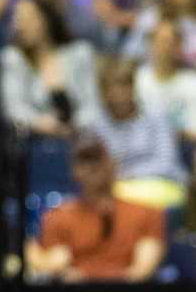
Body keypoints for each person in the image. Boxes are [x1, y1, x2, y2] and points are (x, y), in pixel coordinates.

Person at [23, 134, 164, 283]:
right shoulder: (58, 216)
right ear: (74, 170)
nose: (91, 167)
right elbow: (56, 264)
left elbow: (142, 271)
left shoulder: (147, 213)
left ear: (113, 164)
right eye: (84, 161)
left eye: (98, 159)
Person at [74, 58, 185, 208]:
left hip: (158, 184)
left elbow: (166, 163)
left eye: (125, 86)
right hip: (113, 190)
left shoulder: (156, 117)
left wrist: (125, 174)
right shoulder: (94, 126)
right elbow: (89, 167)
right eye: (112, 88)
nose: (119, 94)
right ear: (103, 91)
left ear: (133, 88)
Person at [0, 0, 98, 139]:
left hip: (81, 141)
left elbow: (93, 105)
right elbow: (12, 109)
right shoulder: (13, 59)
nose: (20, 26)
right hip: (34, 145)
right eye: (17, 20)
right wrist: (40, 123)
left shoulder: (80, 53)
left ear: (47, 20)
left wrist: (74, 127)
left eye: (28, 20)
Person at [132, 18, 196, 138]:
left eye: (171, 43)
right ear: (149, 45)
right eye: (159, 42)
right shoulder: (138, 79)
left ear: (180, 47)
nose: (165, 48)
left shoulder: (195, 82)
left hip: (186, 146)